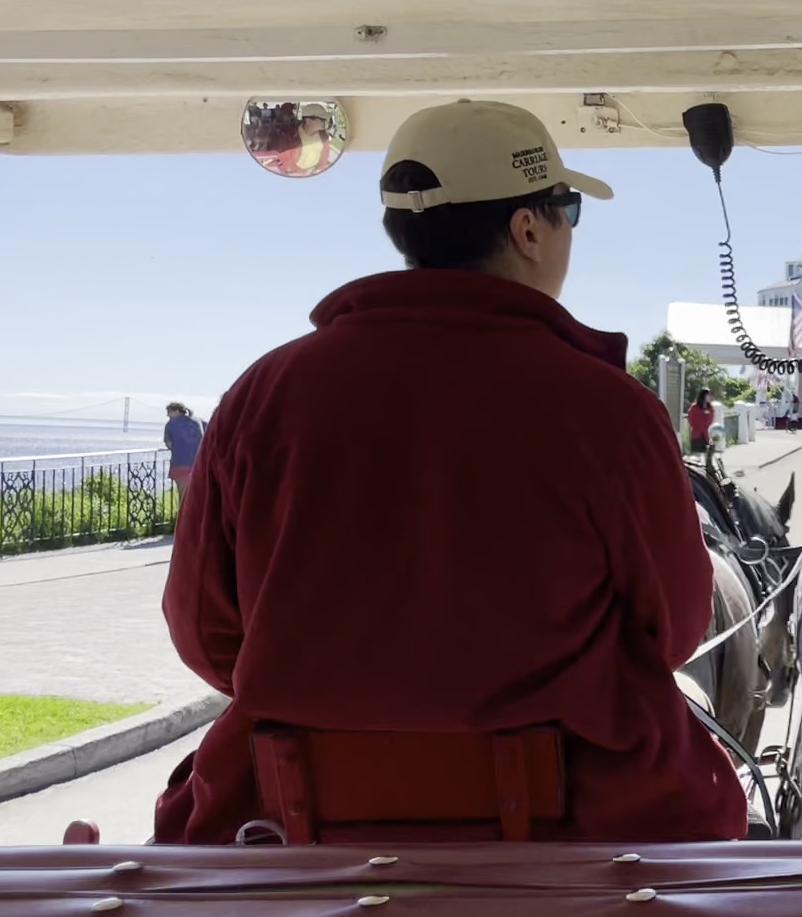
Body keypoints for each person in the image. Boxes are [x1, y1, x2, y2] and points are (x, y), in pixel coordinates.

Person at [154, 99, 746, 845]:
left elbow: (205, 636)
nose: (569, 231)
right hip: (578, 830)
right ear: (528, 229)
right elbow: (675, 631)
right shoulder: (611, 412)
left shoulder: (259, 395)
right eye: (568, 210)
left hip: (297, 823)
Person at [162, 403, 204, 503]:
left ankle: (184, 517)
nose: (167, 415)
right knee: (197, 494)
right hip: (198, 464)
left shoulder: (171, 424)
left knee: (183, 496)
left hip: (180, 463)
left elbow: (169, 444)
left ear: (177, 411)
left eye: (169, 412)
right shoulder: (198, 421)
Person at [687, 388, 716, 456]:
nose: (710, 397)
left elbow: (711, 420)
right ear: (703, 396)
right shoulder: (694, 407)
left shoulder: (710, 408)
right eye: (708, 395)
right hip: (696, 435)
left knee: (707, 456)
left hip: (706, 435)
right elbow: (690, 419)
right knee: (697, 456)